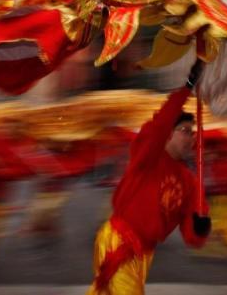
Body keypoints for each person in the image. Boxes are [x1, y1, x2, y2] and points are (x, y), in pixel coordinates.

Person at [87, 60, 211, 294]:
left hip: (145, 253)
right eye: (185, 131)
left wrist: (201, 227)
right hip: (119, 241)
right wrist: (186, 88)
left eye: (193, 133)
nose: (191, 138)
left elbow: (191, 236)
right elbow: (159, 124)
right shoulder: (148, 155)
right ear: (168, 135)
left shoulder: (189, 181)